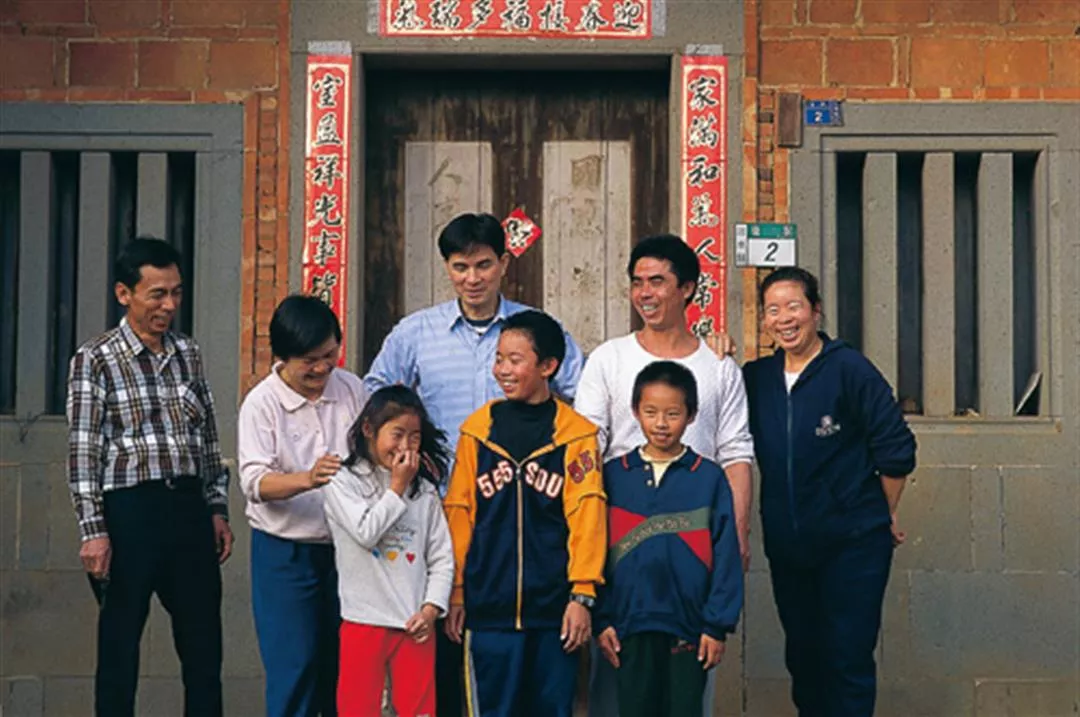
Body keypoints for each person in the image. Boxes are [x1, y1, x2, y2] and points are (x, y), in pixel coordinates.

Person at [364, 212, 584, 716]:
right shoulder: (415, 333)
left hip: (520, 518)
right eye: (460, 267)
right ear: (447, 267)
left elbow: (586, 392)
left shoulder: (533, 331)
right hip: (434, 513)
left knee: (517, 659)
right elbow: (377, 400)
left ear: (504, 263)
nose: (472, 278)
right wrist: (408, 456)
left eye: (484, 265)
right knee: (439, 641)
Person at [575, 234, 754, 717]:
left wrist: (736, 533)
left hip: (693, 546)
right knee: (618, 689)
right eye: (637, 283)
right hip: (624, 541)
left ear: (688, 288)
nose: (645, 293)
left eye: (657, 281)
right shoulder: (609, 359)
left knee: (688, 692)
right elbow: (586, 449)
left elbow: (736, 451)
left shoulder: (718, 365)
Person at [66, 237, 233, 717]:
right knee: (120, 650)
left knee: (204, 651)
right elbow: (84, 451)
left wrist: (216, 507)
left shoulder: (187, 353)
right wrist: (94, 531)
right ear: (124, 294)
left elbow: (207, 439)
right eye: (157, 294)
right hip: (129, 512)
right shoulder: (95, 358)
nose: (169, 305)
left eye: (176, 293)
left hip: (188, 509)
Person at [742, 267, 916, 717]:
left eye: (794, 306)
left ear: (815, 310)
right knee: (804, 658)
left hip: (852, 545)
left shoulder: (848, 368)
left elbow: (896, 450)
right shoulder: (756, 378)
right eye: (773, 310)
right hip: (789, 546)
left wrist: (881, 512)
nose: (784, 319)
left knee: (847, 658)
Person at [443, 310, 607, 717]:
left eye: (515, 360)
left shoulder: (576, 436)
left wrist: (582, 595)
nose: (503, 369)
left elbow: (587, 516)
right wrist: (457, 590)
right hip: (489, 611)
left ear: (548, 366)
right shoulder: (477, 432)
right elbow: (460, 513)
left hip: (554, 614)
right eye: (499, 358)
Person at [237, 295, 367, 717]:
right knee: (295, 666)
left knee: (344, 667)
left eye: (330, 355)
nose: (323, 368)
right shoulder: (262, 403)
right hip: (285, 553)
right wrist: (307, 479)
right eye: (310, 361)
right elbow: (254, 482)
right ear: (282, 356)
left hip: (348, 548)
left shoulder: (351, 388)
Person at [595, 361, 744, 717]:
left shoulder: (708, 477)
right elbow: (594, 550)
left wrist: (716, 626)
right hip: (629, 625)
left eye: (672, 413)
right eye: (651, 412)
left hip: (689, 628)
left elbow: (727, 555)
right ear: (635, 412)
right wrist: (602, 619)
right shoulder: (614, 476)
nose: (661, 423)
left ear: (691, 416)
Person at [324, 385, 454, 717]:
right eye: (397, 434)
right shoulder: (342, 482)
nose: (405, 446)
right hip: (363, 620)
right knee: (358, 709)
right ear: (369, 429)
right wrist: (397, 487)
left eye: (414, 437)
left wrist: (430, 610)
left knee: (419, 710)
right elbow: (366, 532)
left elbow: (441, 557)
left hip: (414, 624)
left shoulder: (424, 491)